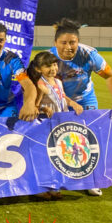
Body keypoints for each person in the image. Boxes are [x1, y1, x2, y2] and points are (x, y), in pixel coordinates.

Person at [49, 18, 112, 197]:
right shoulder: (48, 59)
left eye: (73, 42)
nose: (68, 47)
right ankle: (57, 180)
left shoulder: (89, 54)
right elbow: (49, 88)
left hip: (85, 98)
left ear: (78, 41)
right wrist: (69, 103)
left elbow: (110, 76)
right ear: (55, 43)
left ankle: (90, 181)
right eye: (64, 42)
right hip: (59, 99)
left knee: (89, 138)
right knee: (59, 138)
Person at [27, 51, 83, 201]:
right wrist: (44, 108)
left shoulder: (58, 82)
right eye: (47, 66)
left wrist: (73, 103)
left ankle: (55, 187)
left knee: (58, 155)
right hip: (46, 126)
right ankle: (40, 188)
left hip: (60, 124)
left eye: (54, 65)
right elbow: (35, 106)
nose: (53, 69)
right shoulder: (40, 85)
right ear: (38, 69)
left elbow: (62, 97)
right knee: (45, 157)